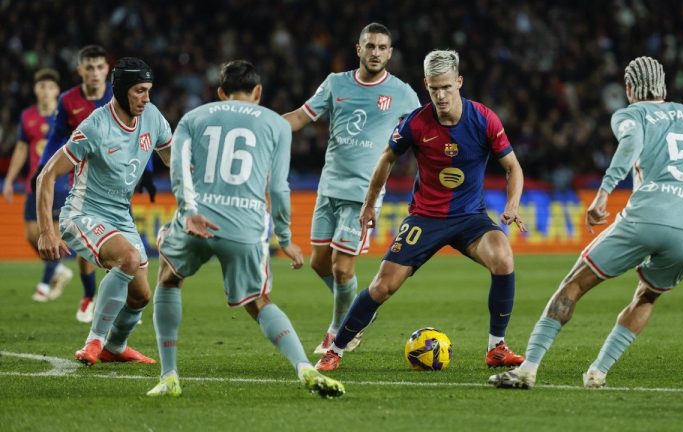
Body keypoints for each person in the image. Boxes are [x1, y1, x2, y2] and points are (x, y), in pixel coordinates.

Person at [488, 56, 683, 390]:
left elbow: (630, 145)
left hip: (646, 216)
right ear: (664, 86)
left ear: (628, 89)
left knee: (573, 285)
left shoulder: (631, 114)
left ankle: (528, 369)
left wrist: (603, 193)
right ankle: (598, 372)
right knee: (647, 297)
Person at [316, 49, 528, 371]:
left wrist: (512, 205)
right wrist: (369, 204)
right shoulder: (416, 123)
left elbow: (513, 167)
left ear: (459, 81)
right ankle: (336, 349)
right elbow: (387, 157)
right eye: (433, 89)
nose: (441, 96)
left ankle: (496, 347)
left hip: (470, 218)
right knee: (382, 286)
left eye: (446, 87)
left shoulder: (484, 119)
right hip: (426, 218)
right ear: (426, 86)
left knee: (503, 258)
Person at [146, 60, 344, 398]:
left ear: (221, 92)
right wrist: (284, 237)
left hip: (198, 220)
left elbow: (178, 167)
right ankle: (304, 367)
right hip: (246, 225)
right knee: (259, 300)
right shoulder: (276, 124)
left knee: (168, 277)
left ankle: (169, 376)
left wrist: (189, 211)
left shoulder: (193, 117)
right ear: (258, 92)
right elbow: (280, 188)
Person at [282, 23, 420, 354]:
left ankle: (338, 330)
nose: (375, 53)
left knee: (343, 268)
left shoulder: (402, 92)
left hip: (363, 193)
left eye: (382, 47)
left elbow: (425, 132)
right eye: (369, 46)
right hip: (329, 186)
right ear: (359, 49)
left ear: (390, 53)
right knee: (319, 263)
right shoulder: (335, 83)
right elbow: (301, 117)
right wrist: (265, 124)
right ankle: (360, 312)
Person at [37, 57, 172, 367]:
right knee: (127, 258)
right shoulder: (95, 126)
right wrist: (47, 231)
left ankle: (115, 346)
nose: (146, 98)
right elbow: (47, 175)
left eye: (149, 90)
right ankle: (94, 342)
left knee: (141, 296)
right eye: (140, 90)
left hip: (120, 216)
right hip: (83, 214)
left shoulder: (151, 116)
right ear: (123, 89)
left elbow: (171, 157)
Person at [36, 45, 111, 322]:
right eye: (89, 67)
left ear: (107, 69)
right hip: (80, 181)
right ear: (80, 70)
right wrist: (44, 168)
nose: (94, 72)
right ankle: (90, 295)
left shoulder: (118, 94)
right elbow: (56, 138)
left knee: (124, 242)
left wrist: (148, 170)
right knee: (86, 243)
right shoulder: (68, 100)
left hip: (118, 180)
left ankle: (116, 301)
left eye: (99, 67)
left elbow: (139, 130)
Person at [3, 68, 73, 302]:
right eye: (42, 86)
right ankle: (59, 268)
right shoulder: (27, 117)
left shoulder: (64, 115)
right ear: (36, 89)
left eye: (50, 87)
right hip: (35, 183)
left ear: (57, 91)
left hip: (59, 182)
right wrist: (11, 180)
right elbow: (22, 148)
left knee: (51, 232)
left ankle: (44, 285)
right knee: (31, 234)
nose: (45, 91)